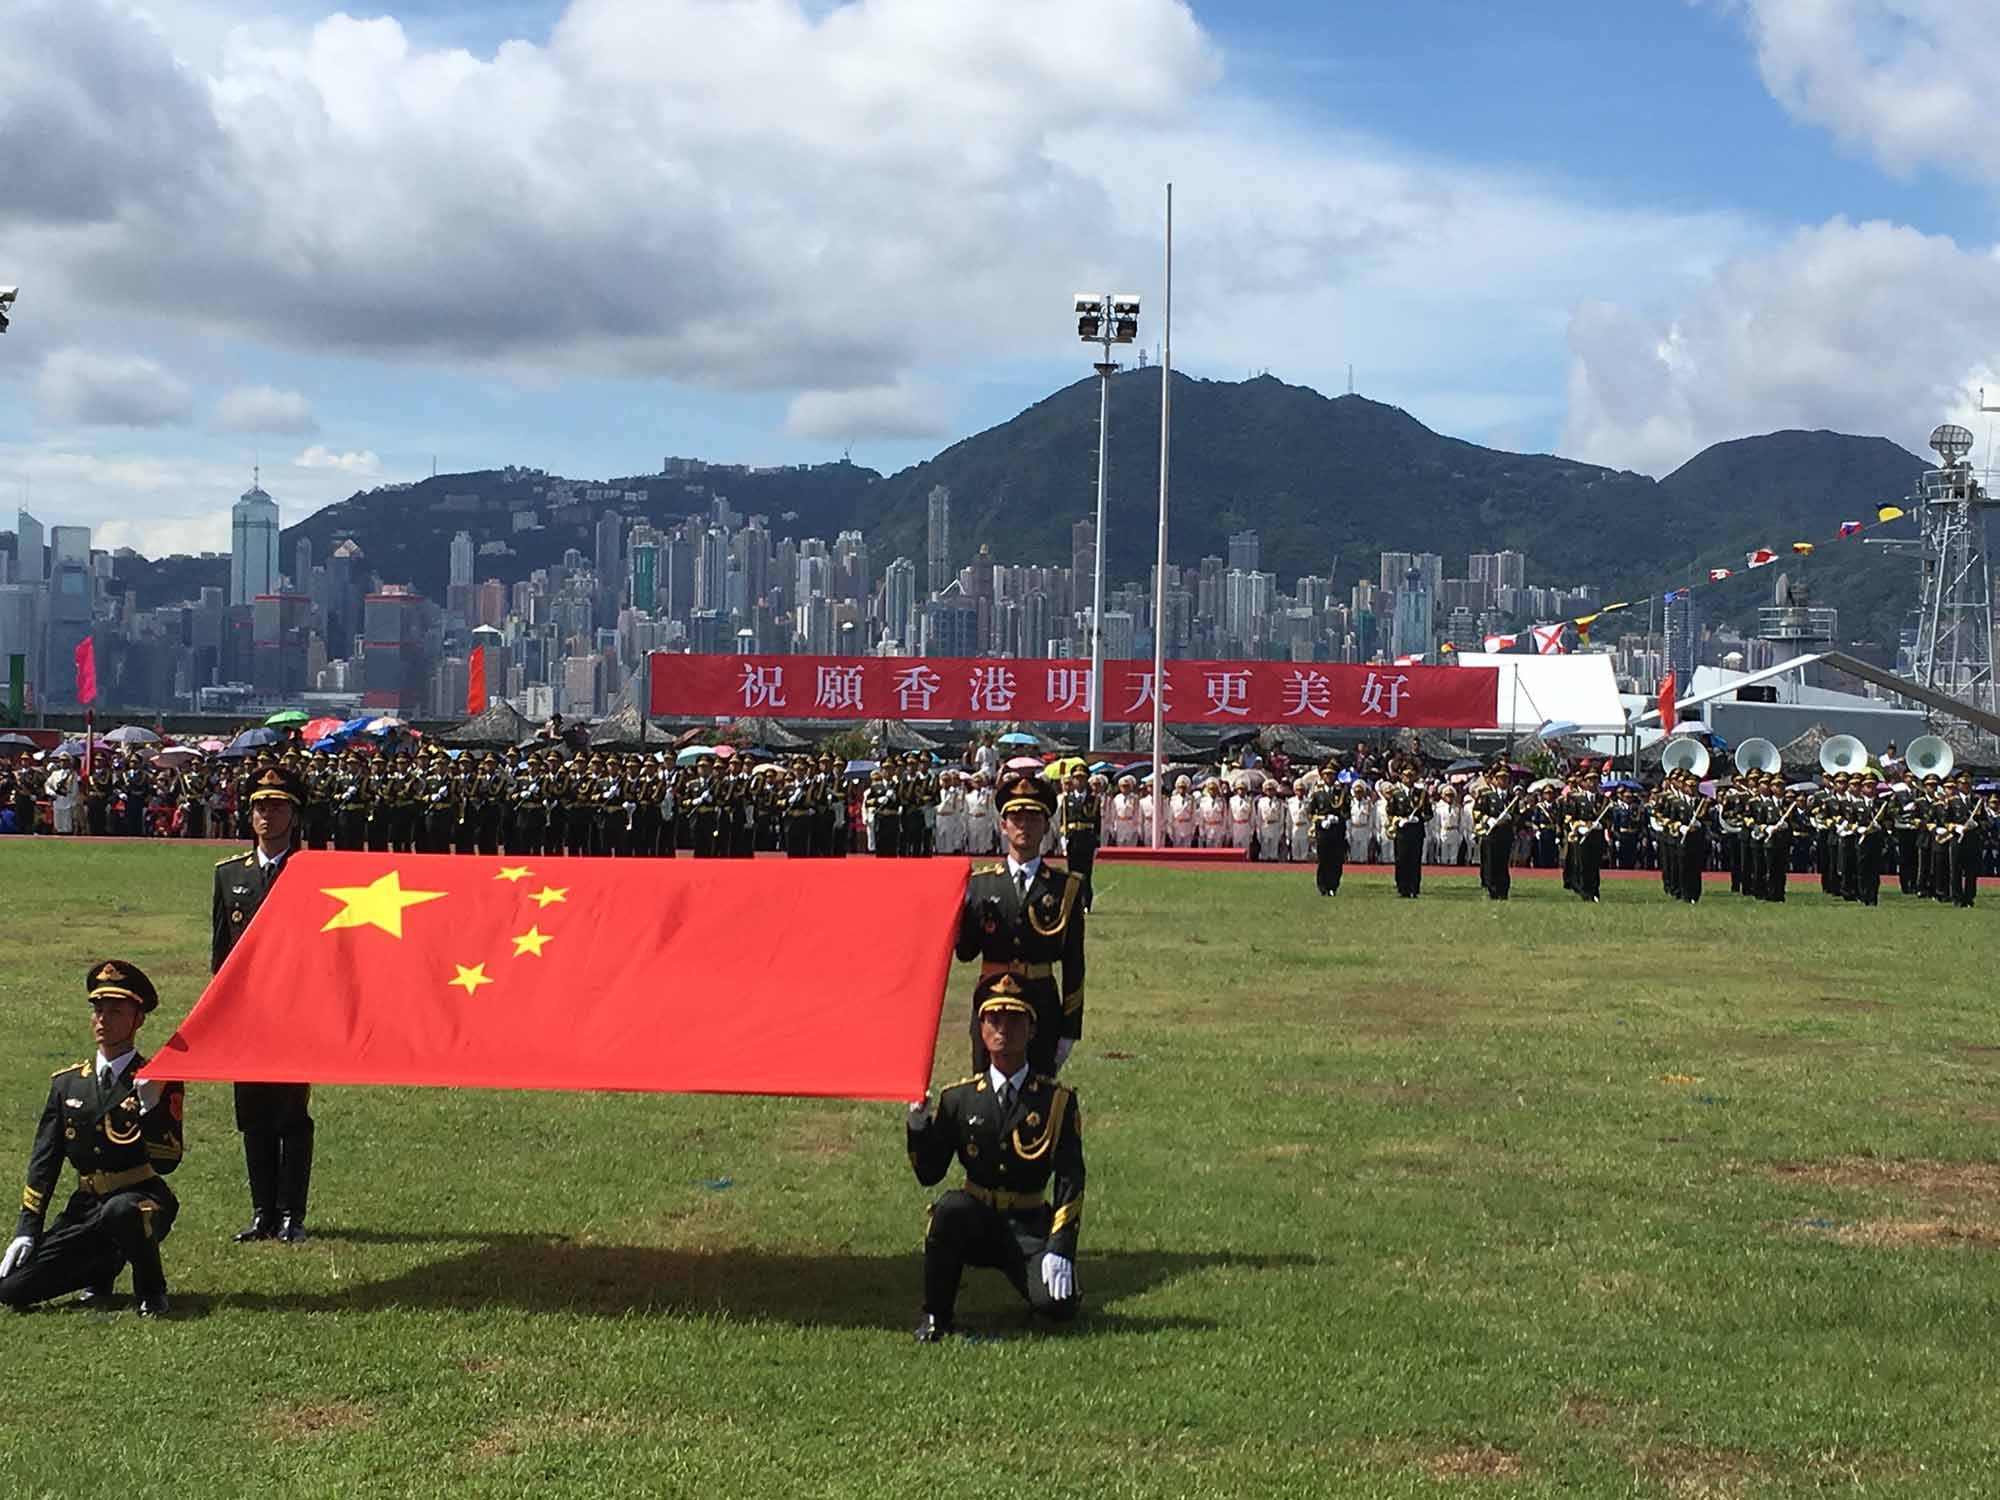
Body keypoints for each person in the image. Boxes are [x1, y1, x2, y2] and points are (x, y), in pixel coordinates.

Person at [905, 974, 1084, 1342]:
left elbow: (1071, 1178)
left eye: (1015, 1019)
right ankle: (936, 1315)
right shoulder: (960, 1099)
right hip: (978, 1222)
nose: (1004, 1029)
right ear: (981, 1029)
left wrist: (1060, 1246)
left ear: (1032, 1029)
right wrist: (918, 1127)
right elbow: (930, 1173)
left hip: (1029, 1225)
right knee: (949, 1209)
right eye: (994, 1019)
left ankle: (1044, 1284)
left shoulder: (1056, 1101)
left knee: (1057, 1307)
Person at [0, 961, 185, 1317]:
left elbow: (167, 1160)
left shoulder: (157, 1080)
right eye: (98, 1011)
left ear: (138, 1020)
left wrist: (150, 1109)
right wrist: (27, 1229)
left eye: (116, 1012)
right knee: (12, 1289)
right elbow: (44, 1161)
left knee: (122, 1211)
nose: (103, 1020)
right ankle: (103, 1265)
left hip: (142, 1200)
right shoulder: (67, 1084)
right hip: (86, 1207)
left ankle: (151, 1291)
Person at [213, 766, 315, 1243]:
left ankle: (292, 1212)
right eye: (259, 806)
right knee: (252, 1113)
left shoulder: (313, 872)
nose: (266, 815)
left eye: (276, 807)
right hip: (248, 1013)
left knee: (290, 1114)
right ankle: (262, 1213)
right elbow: (221, 953)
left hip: (296, 1010)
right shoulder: (230, 875)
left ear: (294, 816)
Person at [956, 773, 1085, 1078]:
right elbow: (965, 952)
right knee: (987, 1093)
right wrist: (963, 916)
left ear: (1045, 826)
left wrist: (1070, 1028)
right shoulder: (979, 885)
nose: (1024, 825)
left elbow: (1074, 962)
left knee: (1037, 1095)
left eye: (1032, 818)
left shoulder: (1064, 888)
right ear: (1003, 825)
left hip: (1040, 1003)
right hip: (991, 1003)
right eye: (1016, 818)